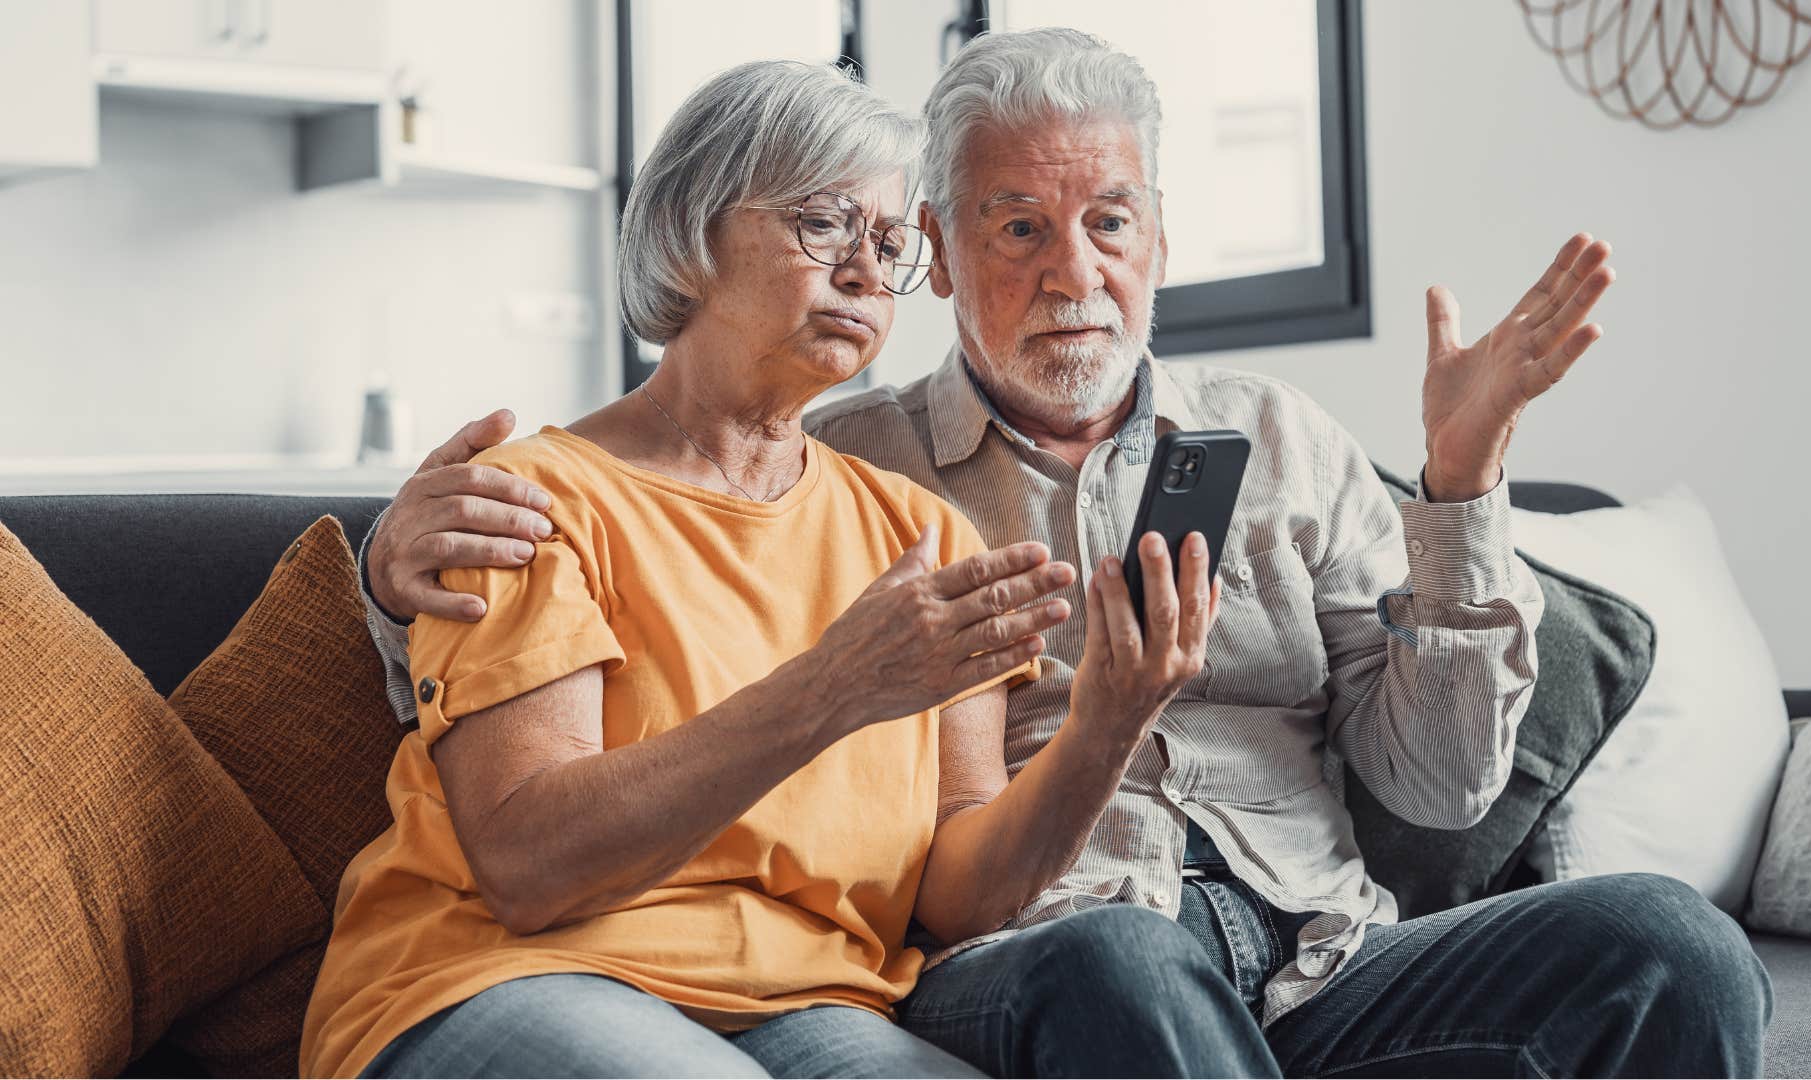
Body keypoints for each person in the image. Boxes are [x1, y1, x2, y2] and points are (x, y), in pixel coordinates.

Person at [358, 29, 1774, 1079]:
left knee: (1673, 944)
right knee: (1122, 959)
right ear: (953, 251)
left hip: (1324, 948)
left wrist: (1456, 493)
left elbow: (1445, 790)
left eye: (1107, 224)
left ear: (1160, 238)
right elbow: (542, 663)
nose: (1071, 270)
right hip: (1062, 953)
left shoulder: (1258, 445)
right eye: (1016, 228)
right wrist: (385, 569)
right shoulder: (865, 466)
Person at [299, 57, 1244, 1079]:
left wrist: (1108, 723)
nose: (865, 273)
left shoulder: (917, 532)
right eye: (825, 224)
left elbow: (955, 890)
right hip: (514, 973)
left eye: (888, 245)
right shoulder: (525, 500)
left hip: (816, 1003)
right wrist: (832, 688)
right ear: (696, 231)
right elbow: (530, 867)